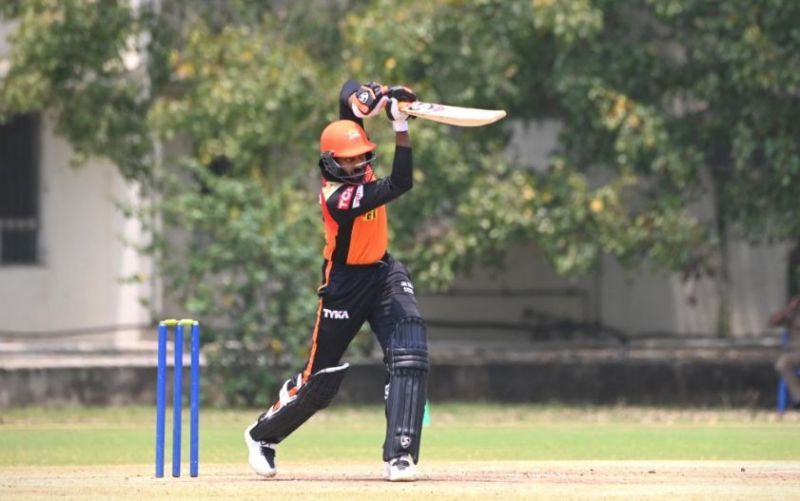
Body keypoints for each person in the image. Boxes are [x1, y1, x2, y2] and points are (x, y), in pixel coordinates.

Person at [244, 79, 429, 481]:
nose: (359, 165)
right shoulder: (337, 198)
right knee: (320, 383)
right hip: (344, 284)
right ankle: (262, 435)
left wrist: (376, 97)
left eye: (363, 157)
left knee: (410, 355)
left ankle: (399, 455)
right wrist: (399, 127)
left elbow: (345, 93)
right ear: (330, 162)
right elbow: (401, 183)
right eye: (349, 160)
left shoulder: (356, 163)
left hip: (383, 272)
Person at [771, 295, 800, 410]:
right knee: (782, 363)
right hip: (795, 353)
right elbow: (773, 322)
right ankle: (798, 398)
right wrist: (789, 308)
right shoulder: (792, 314)